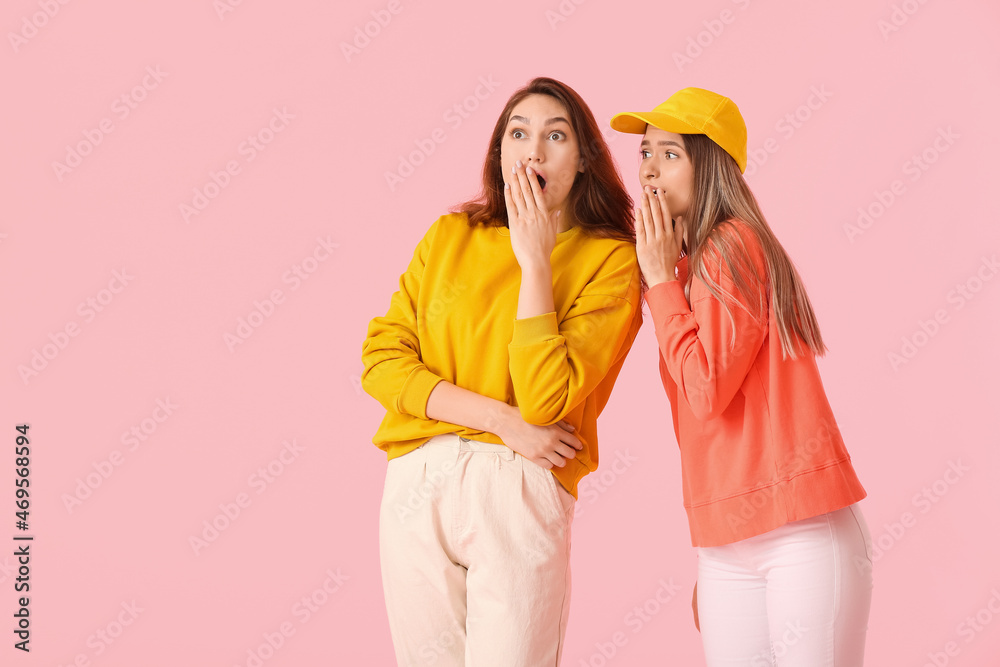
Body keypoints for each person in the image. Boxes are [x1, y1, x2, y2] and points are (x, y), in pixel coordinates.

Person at [362, 76, 643, 666]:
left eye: (555, 135)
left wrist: (534, 259)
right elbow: (382, 361)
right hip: (419, 480)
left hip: (518, 485)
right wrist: (500, 420)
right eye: (518, 133)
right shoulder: (449, 236)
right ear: (499, 152)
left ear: (585, 160)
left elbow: (546, 402)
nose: (533, 150)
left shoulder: (611, 260)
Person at [610, 88, 873, 666]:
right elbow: (698, 427)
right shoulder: (687, 265)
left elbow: (705, 392)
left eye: (670, 153)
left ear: (710, 168)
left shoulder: (732, 244)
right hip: (728, 543)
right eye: (645, 152)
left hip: (801, 532)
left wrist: (658, 280)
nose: (649, 167)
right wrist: (716, 539)